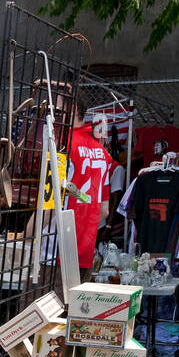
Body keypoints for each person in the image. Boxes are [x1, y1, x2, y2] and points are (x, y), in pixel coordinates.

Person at [67, 94, 113, 280]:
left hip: (57, 246)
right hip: (86, 246)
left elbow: (52, 197)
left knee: (48, 305)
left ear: (72, 110)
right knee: (78, 306)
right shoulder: (102, 151)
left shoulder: (64, 143)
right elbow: (104, 211)